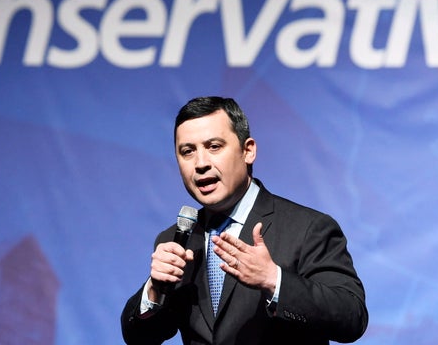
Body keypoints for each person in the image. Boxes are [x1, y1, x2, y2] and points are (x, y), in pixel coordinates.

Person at [121, 96, 368, 345]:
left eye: (214, 146)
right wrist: (155, 291)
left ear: (248, 151)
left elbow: (352, 317)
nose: (201, 163)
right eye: (187, 151)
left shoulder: (308, 228)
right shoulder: (176, 241)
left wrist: (274, 280)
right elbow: (140, 338)